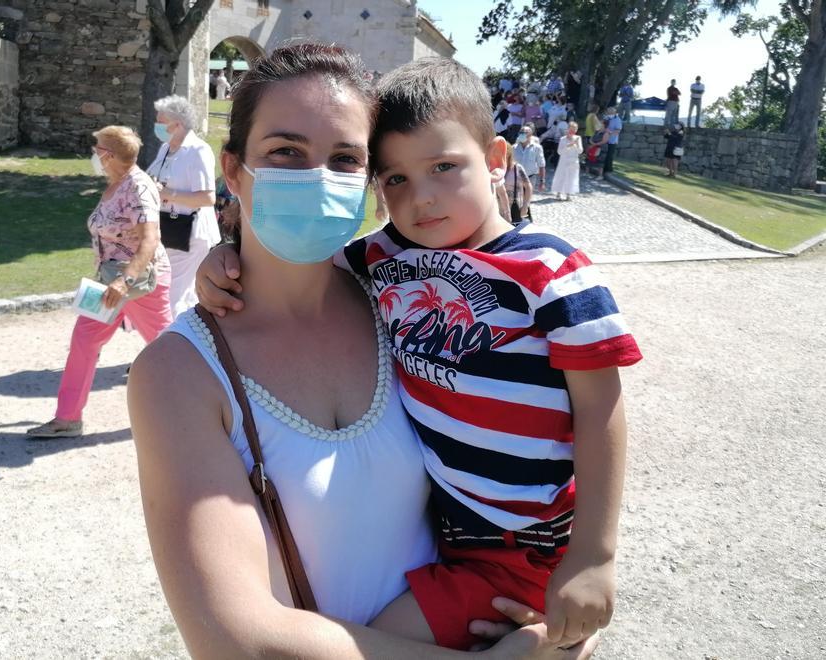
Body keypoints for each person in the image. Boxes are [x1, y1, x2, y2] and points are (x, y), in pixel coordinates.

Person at [132, 43, 599, 660]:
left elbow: (555, 426)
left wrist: (559, 606)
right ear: (234, 170)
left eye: (346, 158)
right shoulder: (179, 373)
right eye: (286, 152)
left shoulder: (405, 302)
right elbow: (234, 640)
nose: (317, 177)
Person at [27, 126, 172, 439]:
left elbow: (150, 239)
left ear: (108, 154)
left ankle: (208, 410)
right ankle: (67, 419)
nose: (93, 153)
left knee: (170, 349)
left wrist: (125, 280)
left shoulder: (138, 187)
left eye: (96, 149)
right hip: (110, 282)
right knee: (84, 340)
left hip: (140, 284)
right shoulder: (116, 183)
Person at [148, 95, 220, 317]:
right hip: (166, 228)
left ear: (177, 124)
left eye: (161, 122)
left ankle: (171, 342)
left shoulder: (198, 151)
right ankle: (186, 338)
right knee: (177, 292)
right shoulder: (165, 149)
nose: (157, 126)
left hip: (190, 232)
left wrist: (169, 194)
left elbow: (208, 198)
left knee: (173, 294)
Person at [551, 121, 583, 201]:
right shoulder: (562, 139)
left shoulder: (578, 138)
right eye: (571, 129)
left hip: (574, 161)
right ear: (568, 129)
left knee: (571, 177)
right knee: (561, 176)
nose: (572, 131)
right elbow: (559, 152)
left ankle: (568, 194)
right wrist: (568, 145)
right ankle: (558, 193)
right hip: (564, 161)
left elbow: (580, 151)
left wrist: (575, 144)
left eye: (574, 129)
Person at [503, 144, 532, 223]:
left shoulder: (517, 168)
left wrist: (525, 205)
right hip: (499, 208)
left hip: (515, 207)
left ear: (508, 154)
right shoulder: (495, 167)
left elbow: (528, 187)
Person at [514, 125, 546, 193]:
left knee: (527, 201)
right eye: (521, 132)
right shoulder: (514, 148)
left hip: (530, 178)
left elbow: (541, 165)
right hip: (516, 178)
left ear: (530, 135)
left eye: (525, 132)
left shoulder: (537, 148)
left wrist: (542, 181)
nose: (522, 134)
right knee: (516, 201)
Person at [602, 107, 622, 176]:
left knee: (609, 155)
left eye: (610, 113)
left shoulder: (617, 120)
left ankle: (608, 170)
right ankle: (603, 168)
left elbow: (618, 131)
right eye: (608, 113)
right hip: (605, 139)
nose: (609, 114)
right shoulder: (607, 118)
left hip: (612, 140)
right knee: (604, 155)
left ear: (614, 113)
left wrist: (609, 132)